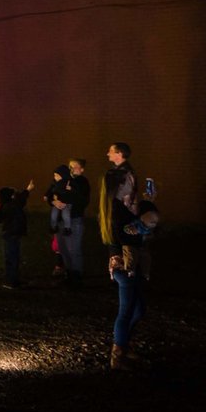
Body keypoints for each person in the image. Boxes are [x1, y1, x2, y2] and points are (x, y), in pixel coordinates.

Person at [98, 142, 156, 370]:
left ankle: (123, 346)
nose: (132, 184)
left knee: (139, 309)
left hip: (132, 259)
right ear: (120, 186)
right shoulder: (117, 212)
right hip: (125, 262)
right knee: (126, 310)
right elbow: (127, 233)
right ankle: (118, 355)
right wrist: (144, 223)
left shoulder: (122, 208)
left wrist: (148, 206)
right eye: (128, 182)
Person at [55, 158, 91, 286]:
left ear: (82, 169)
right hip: (61, 220)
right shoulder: (63, 180)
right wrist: (53, 201)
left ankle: (76, 276)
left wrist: (72, 191)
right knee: (63, 249)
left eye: (74, 166)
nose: (71, 169)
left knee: (74, 249)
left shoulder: (82, 182)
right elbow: (52, 194)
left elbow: (83, 201)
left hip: (74, 219)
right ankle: (68, 273)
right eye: (70, 166)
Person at [0, 185, 28, 288]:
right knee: (13, 257)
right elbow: (20, 202)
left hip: (8, 234)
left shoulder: (4, 205)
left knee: (11, 256)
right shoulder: (11, 206)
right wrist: (26, 191)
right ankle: (12, 281)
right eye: (13, 194)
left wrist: (27, 190)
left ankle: (11, 278)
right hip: (12, 234)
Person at [43, 164, 72, 235]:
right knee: (53, 214)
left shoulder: (68, 183)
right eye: (54, 175)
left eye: (57, 175)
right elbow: (50, 190)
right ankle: (53, 227)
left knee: (66, 215)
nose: (55, 177)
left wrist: (64, 201)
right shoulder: (54, 183)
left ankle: (67, 228)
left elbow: (70, 194)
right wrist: (46, 195)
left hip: (65, 203)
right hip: (56, 202)